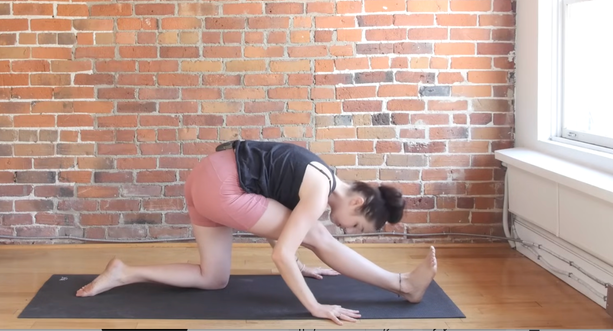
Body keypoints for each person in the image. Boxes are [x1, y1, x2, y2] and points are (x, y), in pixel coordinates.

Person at [76, 139, 437, 325]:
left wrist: (299, 259)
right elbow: (280, 251)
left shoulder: (318, 173)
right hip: (221, 186)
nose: (348, 229)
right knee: (321, 238)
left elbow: (268, 209)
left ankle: (124, 273)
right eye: (356, 225)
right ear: (357, 202)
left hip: (206, 179)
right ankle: (402, 284)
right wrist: (314, 306)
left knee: (213, 277)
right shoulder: (319, 188)